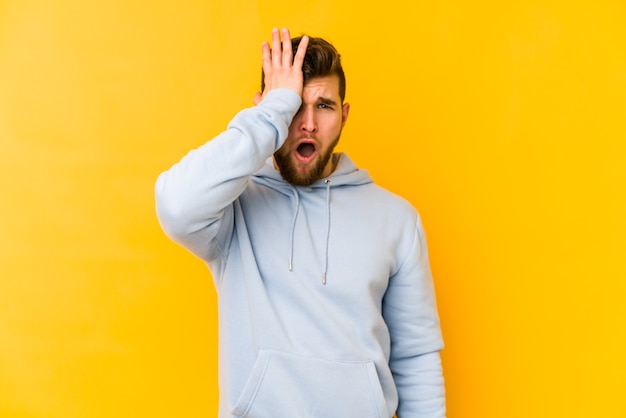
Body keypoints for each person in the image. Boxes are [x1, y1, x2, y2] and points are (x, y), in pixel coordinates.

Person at [155, 28, 446, 418]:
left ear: (343, 116)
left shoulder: (396, 219)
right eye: (294, 107)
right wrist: (270, 115)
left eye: (323, 106)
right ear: (267, 108)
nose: (306, 123)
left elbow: (416, 359)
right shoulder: (234, 210)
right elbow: (175, 205)